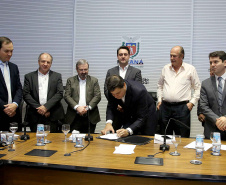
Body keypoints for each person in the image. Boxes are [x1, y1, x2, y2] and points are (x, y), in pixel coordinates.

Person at [157, 46, 201, 137]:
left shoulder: (190, 69)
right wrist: (159, 100)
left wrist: (192, 103)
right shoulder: (165, 68)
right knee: (165, 136)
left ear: (182, 56)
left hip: (182, 108)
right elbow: (160, 86)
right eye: (170, 56)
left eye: (174, 56)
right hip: (165, 107)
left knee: (182, 136)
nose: (171, 58)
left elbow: (198, 88)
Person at [23, 53, 64, 132]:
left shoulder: (57, 76)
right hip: (35, 115)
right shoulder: (29, 76)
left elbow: (59, 93)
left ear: (51, 64)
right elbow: (26, 94)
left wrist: (46, 107)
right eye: (43, 61)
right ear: (38, 62)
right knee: (34, 141)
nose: (45, 64)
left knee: (52, 141)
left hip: (52, 114)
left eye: (48, 62)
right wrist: (40, 108)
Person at [104, 46, 142, 130]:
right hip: (115, 110)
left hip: (131, 111)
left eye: (125, 54)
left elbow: (137, 91)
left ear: (129, 56)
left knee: (129, 135)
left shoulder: (136, 72)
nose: (123, 56)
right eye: (120, 54)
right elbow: (107, 90)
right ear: (117, 56)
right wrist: (116, 103)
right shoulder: (111, 71)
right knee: (114, 135)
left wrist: (125, 105)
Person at [64, 59, 101, 133]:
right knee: (73, 140)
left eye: (86, 69)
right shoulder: (70, 81)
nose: (83, 72)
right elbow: (67, 96)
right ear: (77, 69)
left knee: (89, 140)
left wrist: (86, 108)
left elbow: (97, 96)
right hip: (74, 117)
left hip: (90, 116)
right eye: (81, 69)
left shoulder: (94, 80)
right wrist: (77, 107)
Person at [200, 51, 226, 140]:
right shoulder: (205, 83)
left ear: (225, 63)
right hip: (212, 129)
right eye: (211, 62)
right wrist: (217, 120)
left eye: (216, 62)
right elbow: (203, 106)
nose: (212, 65)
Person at [0, 36, 22, 131]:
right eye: (6, 51)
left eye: (11, 51)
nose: (10, 54)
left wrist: (15, 104)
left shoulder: (14, 67)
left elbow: (19, 88)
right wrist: (5, 108)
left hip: (14, 114)